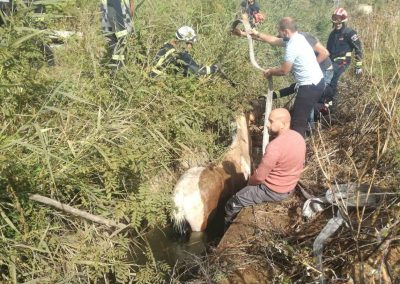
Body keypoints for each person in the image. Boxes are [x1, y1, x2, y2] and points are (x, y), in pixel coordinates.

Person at [233, 17, 325, 137]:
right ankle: (296, 144)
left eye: (280, 31)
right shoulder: (298, 38)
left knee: (298, 123)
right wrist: (247, 34)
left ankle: (296, 150)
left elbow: (284, 70)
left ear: (286, 31)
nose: (278, 34)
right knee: (298, 118)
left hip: (310, 87)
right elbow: (273, 40)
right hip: (316, 83)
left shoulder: (293, 45)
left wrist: (270, 71)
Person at [224, 108, 305, 228]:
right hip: (289, 186)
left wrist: (249, 184)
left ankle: (226, 231)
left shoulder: (274, 147)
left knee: (232, 203)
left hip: (273, 191)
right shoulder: (298, 137)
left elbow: (259, 177)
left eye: (271, 121)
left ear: (283, 124)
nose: (267, 124)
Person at [150, 26, 219, 77]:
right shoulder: (179, 53)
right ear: (182, 41)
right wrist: (214, 68)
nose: (190, 46)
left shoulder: (167, 45)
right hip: (159, 81)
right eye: (189, 43)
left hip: (151, 76)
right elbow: (197, 71)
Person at [326, 7, 363, 104]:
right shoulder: (332, 34)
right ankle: (326, 104)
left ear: (344, 21)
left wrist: (358, 65)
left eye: (339, 21)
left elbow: (358, 48)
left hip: (344, 62)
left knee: (332, 80)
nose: (337, 23)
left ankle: (330, 104)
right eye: (335, 21)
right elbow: (328, 51)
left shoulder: (350, 33)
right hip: (332, 62)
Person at [100, 0, 134, 68]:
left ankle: (115, 70)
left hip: (106, 14)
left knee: (113, 45)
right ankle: (119, 70)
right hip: (120, 14)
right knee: (121, 45)